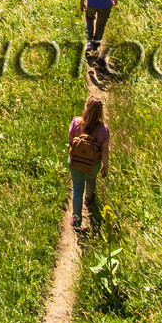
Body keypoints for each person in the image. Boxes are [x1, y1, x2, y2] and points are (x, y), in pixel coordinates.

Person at [67, 94, 109, 229]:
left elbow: (70, 141)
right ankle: (89, 199)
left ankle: (77, 219)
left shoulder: (76, 122)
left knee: (77, 188)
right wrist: (105, 167)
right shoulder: (103, 129)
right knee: (91, 180)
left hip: (75, 161)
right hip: (93, 163)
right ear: (100, 111)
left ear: (86, 108)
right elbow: (104, 151)